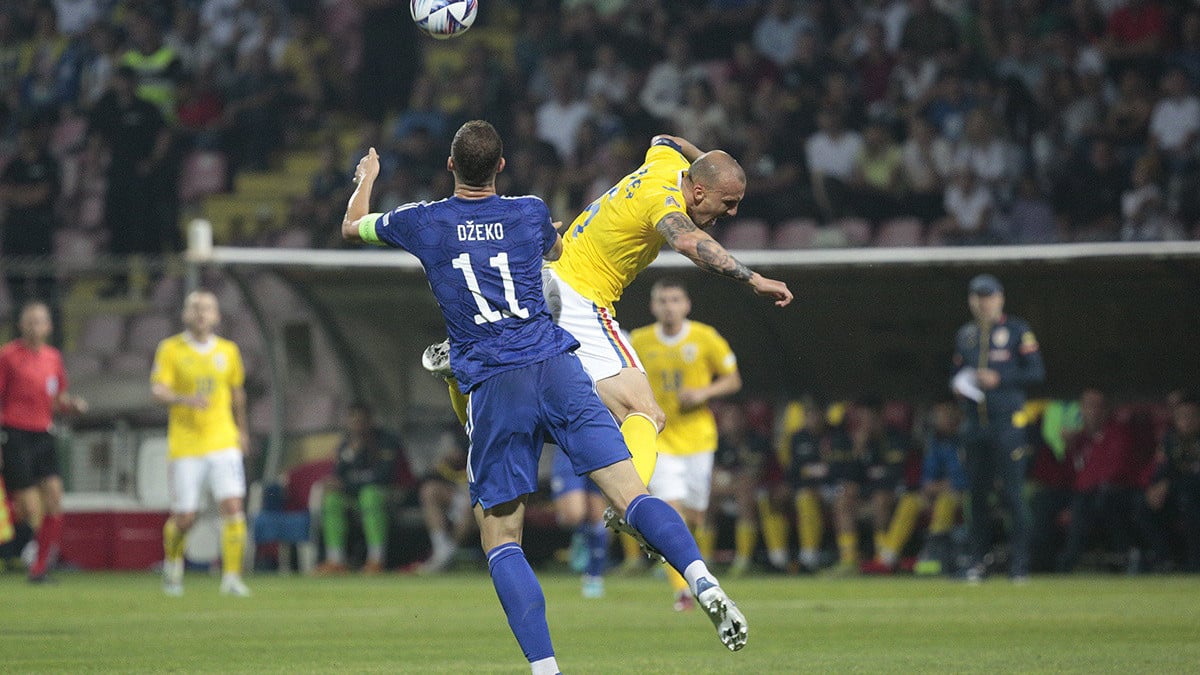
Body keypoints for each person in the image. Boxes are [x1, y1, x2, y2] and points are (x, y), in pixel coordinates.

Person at [342, 121, 748, 671]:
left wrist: (367, 178)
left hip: (496, 380)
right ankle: (702, 581)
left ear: (450, 166)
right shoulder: (530, 210)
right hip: (557, 366)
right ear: (503, 167)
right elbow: (556, 248)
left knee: (501, 537)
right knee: (633, 491)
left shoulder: (424, 220)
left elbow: (352, 226)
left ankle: (545, 668)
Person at [425, 132, 793, 497]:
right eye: (728, 202)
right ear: (698, 192)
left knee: (514, 411)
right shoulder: (662, 201)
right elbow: (685, 241)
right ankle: (633, 505)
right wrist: (753, 278)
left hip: (544, 279)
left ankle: (459, 374)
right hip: (578, 298)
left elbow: (664, 139)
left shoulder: (666, 165)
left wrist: (706, 164)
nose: (732, 213)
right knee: (647, 413)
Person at [630, 278, 742, 610]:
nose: (669, 306)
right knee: (670, 511)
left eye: (675, 300)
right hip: (660, 440)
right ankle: (684, 590)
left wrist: (704, 393)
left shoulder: (705, 338)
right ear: (653, 306)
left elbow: (733, 379)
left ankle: (696, 570)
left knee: (695, 514)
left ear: (686, 304)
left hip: (698, 438)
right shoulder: (639, 341)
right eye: (662, 300)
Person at [151, 290, 251, 597]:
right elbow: (158, 390)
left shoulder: (228, 351)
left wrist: (242, 431)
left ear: (217, 316)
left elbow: (237, 392)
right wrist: (184, 399)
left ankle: (232, 577)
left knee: (233, 506)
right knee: (185, 517)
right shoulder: (170, 349)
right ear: (185, 314)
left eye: (207, 308)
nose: (201, 313)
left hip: (223, 439)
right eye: (195, 308)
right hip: (186, 444)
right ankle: (173, 565)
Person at [952, 274, 1045, 582]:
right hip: (975, 426)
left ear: (1000, 298)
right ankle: (977, 562)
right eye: (978, 297)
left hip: (1007, 425)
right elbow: (956, 371)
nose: (983, 302)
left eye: (988, 296)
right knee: (976, 497)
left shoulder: (1017, 330)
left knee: (1013, 495)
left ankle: (1019, 564)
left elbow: (1036, 373)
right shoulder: (965, 335)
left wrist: (1000, 379)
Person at [0, 301, 87, 582]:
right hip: (14, 433)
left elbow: (58, 397)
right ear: (21, 325)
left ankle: (38, 568)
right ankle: (14, 549)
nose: (34, 325)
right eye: (30, 320)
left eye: (40, 321)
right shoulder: (8, 356)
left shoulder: (52, 357)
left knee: (54, 499)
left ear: (49, 326)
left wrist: (71, 405)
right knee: (30, 510)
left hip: (44, 434)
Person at [316, 401, 414, 575]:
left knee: (370, 495)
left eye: (361, 421)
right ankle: (335, 560)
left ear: (370, 421)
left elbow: (383, 477)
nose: (357, 426)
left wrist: (347, 484)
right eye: (353, 421)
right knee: (332, 499)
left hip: (388, 495)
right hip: (355, 496)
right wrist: (350, 456)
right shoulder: (346, 445)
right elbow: (338, 476)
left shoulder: (386, 441)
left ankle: (376, 559)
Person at [1145, 391, 1200, 571]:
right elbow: (1162, 469)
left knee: (1190, 504)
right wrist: (1154, 488)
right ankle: (1164, 559)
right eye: (1182, 416)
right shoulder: (1170, 440)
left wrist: (1169, 485)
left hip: (1193, 496)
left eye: (1192, 416)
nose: (1187, 420)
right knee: (1142, 505)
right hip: (1174, 497)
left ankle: (1194, 564)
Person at [912, 400, 967, 575]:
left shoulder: (966, 440)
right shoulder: (936, 442)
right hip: (939, 492)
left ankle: (933, 552)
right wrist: (930, 487)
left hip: (965, 494)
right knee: (909, 502)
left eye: (943, 415)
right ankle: (887, 556)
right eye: (938, 416)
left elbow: (968, 476)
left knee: (946, 501)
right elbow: (928, 477)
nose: (939, 419)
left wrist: (950, 485)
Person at [548, 445, 610, 598]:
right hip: (569, 447)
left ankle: (593, 576)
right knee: (573, 514)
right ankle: (581, 535)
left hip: (600, 447)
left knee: (598, 516)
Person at [415, 432, 474, 574]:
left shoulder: (487, 431)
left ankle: (446, 556)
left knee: (470, 504)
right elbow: (427, 476)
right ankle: (441, 548)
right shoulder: (451, 435)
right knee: (429, 491)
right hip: (454, 492)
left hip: (480, 496)